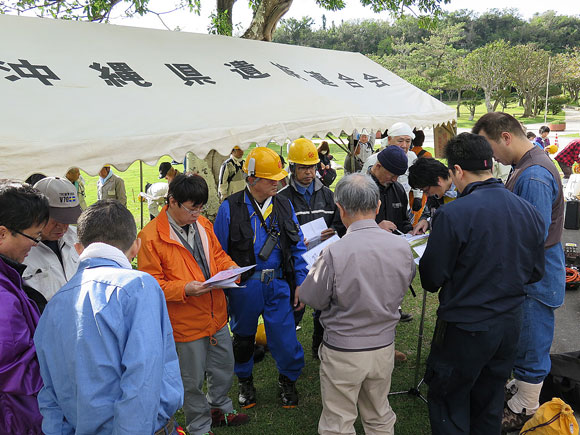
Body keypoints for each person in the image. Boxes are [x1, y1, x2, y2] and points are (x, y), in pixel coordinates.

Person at [419, 133, 546, 435]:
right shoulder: (527, 210)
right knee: (489, 400)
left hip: (466, 327)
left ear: (458, 171)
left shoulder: (453, 214)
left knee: (450, 401)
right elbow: (535, 272)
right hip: (508, 325)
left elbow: (432, 278)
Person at [34, 200, 184, 434]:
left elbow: (49, 394)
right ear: (136, 247)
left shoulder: (54, 304)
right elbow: (142, 377)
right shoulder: (138, 286)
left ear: (78, 249)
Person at [299, 173, 415, 435]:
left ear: (340, 209)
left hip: (344, 349)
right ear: (377, 207)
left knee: (338, 421)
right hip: (384, 345)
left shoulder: (334, 252)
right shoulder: (400, 247)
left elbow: (313, 298)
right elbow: (407, 278)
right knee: (379, 414)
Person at [473, 112, 566, 432]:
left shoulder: (533, 175)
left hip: (535, 276)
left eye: (489, 147)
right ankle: (523, 390)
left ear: (506, 137)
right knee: (525, 338)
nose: (489, 156)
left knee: (531, 341)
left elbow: (531, 235)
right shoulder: (524, 166)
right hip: (532, 272)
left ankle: (526, 406)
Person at [138, 174, 249, 435]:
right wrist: (184, 289)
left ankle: (220, 407)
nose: (197, 213)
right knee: (191, 380)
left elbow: (219, 256)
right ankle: (199, 426)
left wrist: (231, 268)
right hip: (184, 323)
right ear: (172, 202)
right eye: (192, 208)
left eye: (200, 207)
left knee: (223, 367)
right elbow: (152, 284)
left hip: (216, 315)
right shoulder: (150, 237)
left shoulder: (204, 224)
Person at [214, 147, 308, 409]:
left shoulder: (284, 204)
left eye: (279, 177)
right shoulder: (228, 207)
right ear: (252, 179)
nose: (277, 183)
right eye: (270, 179)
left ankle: (288, 379)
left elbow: (298, 246)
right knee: (243, 338)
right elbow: (219, 252)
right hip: (244, 286)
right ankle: (244, 380)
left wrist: (300, 281)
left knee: (286, 338)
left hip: (278, 283)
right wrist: (226, 289)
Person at [278, 138, 346, 358]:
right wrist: (294, 243)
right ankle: (288, 351)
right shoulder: (281, 199)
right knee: (295, 308)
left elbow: (340, 222)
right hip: (294, 265)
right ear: (292, 168)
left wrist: (334, 231)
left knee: (323, 307)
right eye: (303, 168)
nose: (308, 172)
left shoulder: (328, 195)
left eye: (312, 167)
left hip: (323, 260)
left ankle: (320, 346)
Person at [0, 180, 49, 434]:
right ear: (2, 233)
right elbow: (16, 371)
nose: (36, 244)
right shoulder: (3, 296)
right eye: (34, 235)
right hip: (15, 417)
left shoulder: (8, 278)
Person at [369, 145, 414, 342]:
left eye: (398, 176)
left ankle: (386, 343)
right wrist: (376, 227)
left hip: (391, 259)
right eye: (392, 174)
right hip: (366, 258)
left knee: (389, 304)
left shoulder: (397, 190)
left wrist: (411, 231)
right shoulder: (359, 188)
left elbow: (403, 221)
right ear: (378, 166)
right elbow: (344, 226)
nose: (395, 180)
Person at [23, 177, 82, 303]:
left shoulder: (78, 237)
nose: (62, 226)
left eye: (68, 219)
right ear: (35, 212)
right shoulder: (19, 250)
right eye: (56, 219)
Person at [408, 158, 457, 235]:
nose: (426, 194)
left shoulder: (465, 189)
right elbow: (429, 213)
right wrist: (425, 222)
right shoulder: (435, 195)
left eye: (426, 190)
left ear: (438, 180)